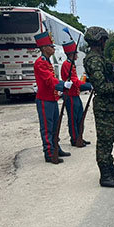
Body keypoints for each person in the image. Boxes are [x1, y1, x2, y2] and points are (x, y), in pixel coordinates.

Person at [83, 26, 114, 188]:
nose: (105, 43)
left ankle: (110, 167)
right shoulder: (94, 60)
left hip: (110, 105)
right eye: (104, 40)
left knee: (109, 140)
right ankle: (105, 175)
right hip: (104, 106)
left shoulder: (99, 58)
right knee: (104, 141)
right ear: (100, 40)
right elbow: (101, 87)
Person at [33, 31, 72, 164]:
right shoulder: (40, 63)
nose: (53, 49)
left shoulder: (47, 62)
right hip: (45, 100)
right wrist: (62, 85)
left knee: (55, 126)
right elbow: (49, 80)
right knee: (47, 127)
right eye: (51, 46)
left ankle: (56, 148)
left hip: (51, 99)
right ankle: (49, 153)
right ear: (44, 48)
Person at [61, 40, 93, 146]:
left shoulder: (71, 64)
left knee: (80, 117)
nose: (77, 56)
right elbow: (74, 81)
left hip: (75, 94)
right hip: (70, 95)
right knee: (73, 119)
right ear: (71, 54)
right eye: (75, 53)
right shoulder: (66, 65)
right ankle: (74, 139)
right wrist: (88, 86)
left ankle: (80, 137)